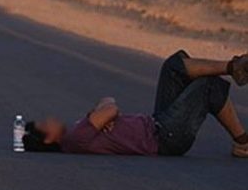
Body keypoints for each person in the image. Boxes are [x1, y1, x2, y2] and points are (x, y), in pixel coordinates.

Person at [24, 50, 248, 157]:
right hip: (166, 137)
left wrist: (99, 113)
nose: (50, 119)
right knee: (207, 85)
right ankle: (243, 142)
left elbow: (108, 100)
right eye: (45, 124)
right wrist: (102, 113)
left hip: (159, 123)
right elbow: (112, 108)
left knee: (172, 66)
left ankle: (233, 67)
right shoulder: (75, 138)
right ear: (48, 138)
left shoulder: (78, 132)